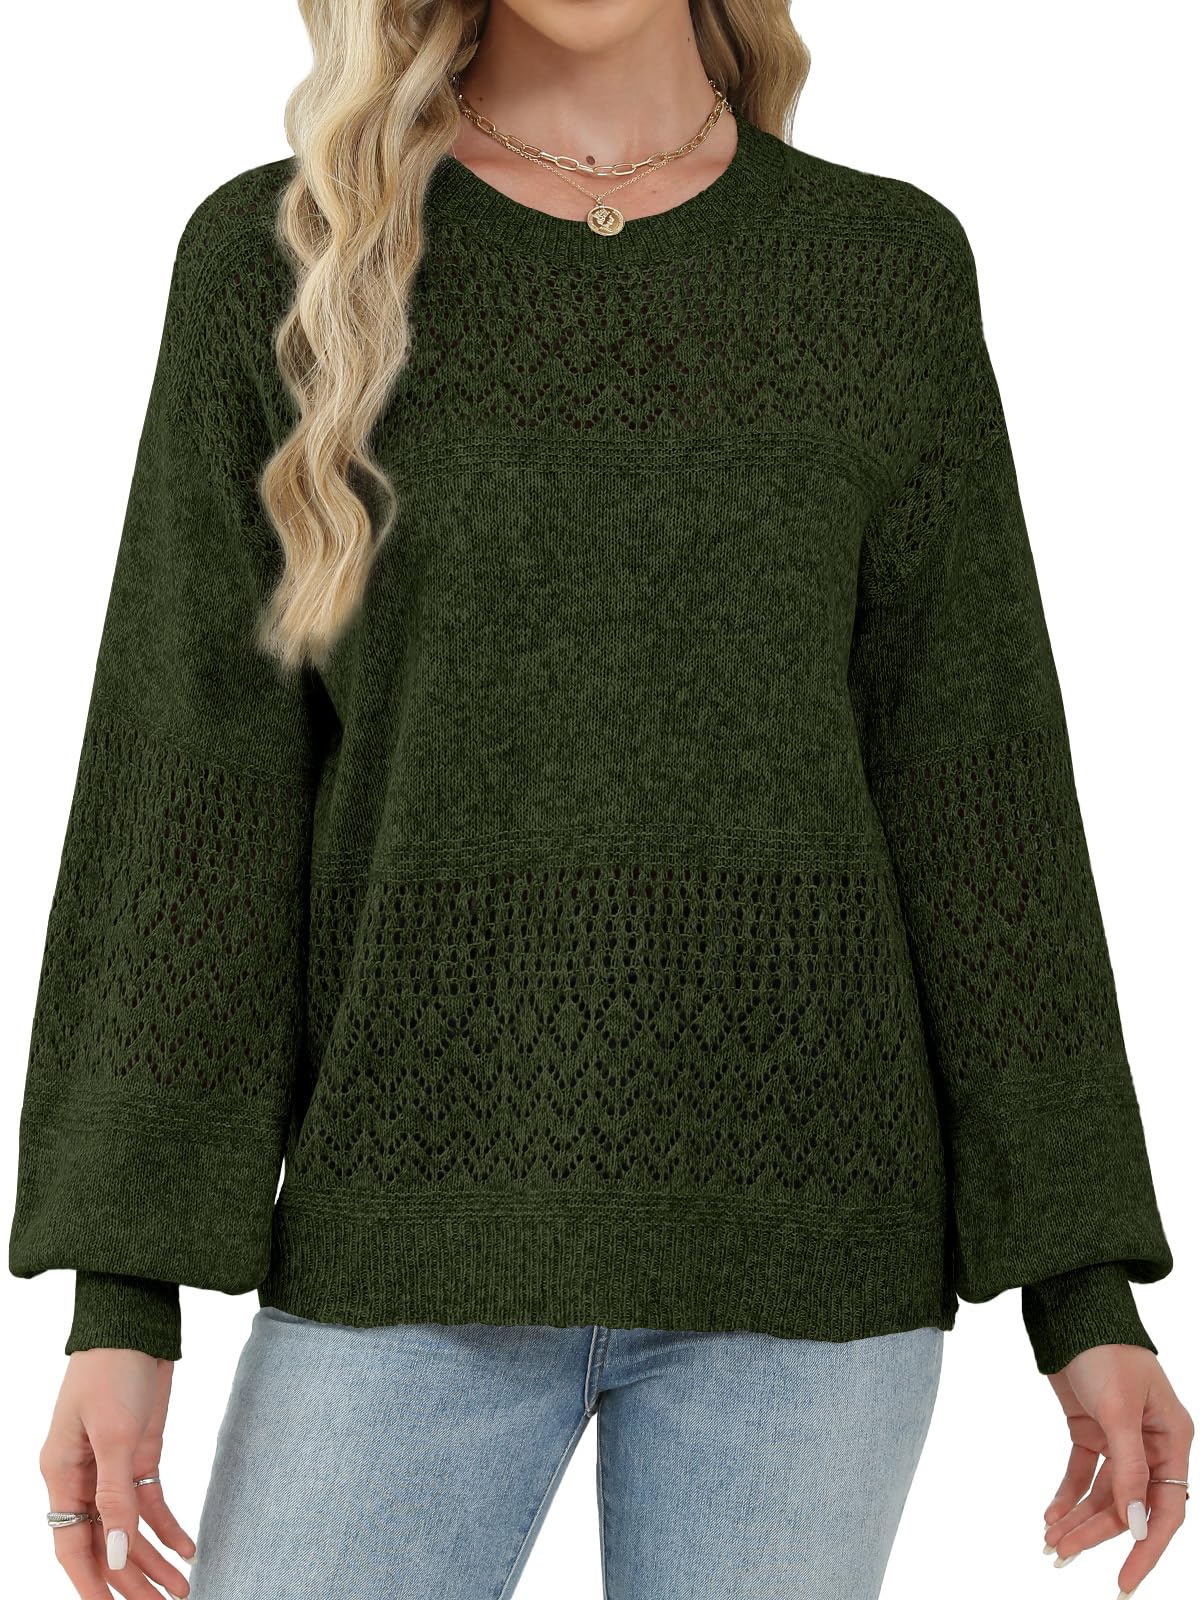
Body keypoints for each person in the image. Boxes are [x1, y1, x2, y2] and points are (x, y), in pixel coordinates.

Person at [9, 4, 1192, 1598]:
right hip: (404, 1225)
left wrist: (1084, 1287)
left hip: (808, 1261)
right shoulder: (285, 259)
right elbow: (192, 789)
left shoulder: (880, 272)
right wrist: (121, 1296)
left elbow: (978, 793)